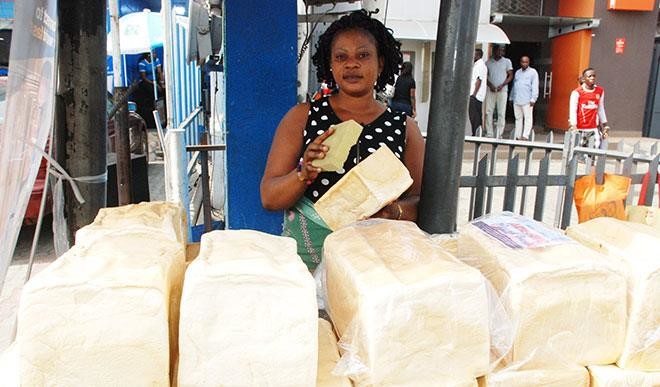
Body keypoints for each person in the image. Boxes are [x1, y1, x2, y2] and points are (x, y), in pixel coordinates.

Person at [260, 10, 425, 271]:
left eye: (363, 55)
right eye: (341, 57)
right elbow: (269, 198)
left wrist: (394, 212)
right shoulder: (303, 117)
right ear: (331, 64)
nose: (352, 64)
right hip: (309, 262)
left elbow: (421, 201)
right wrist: (303, 173)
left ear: (380, 63)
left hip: (376, 265)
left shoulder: (405, 128)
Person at [569, 67, 610, 149]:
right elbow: (573, 110)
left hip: (593, 128)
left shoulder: (600, 91)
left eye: (594, 76)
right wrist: (574, 126)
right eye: (589, 76)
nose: (592, 78)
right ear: (584, 79)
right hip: (580, 128)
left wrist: (605, 125)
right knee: (579, 153)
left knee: (594, 151)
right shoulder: (577, 92)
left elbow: (600, 109)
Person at [485, 44, 513, 138]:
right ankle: (489, 133)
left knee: (501, 112)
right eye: (499, 50)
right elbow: (485, 77)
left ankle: (499, 133)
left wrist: (503, 84)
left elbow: (510, 75)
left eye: (502, 50)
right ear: (494, 51)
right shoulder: (488, 62)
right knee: (489, 111)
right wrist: (490, 85)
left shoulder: (507, 62)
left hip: (503, 90)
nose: (501, 52)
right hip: (491, 90)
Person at [510, 55, 539, 140]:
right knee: (518, 118)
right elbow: (514, 85)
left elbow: (535, 86)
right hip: (517, 99)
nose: (524, 63)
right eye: (523, 62)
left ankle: (525, 135)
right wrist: (511, 97)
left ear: (529, 62)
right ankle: (518, 136)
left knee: (528, 118)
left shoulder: (533, 72)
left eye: (526, 62)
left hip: (527, 100)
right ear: (520, 62)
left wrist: (534, 98)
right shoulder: (517, 72)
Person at [135, 51, 164, 129]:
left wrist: (162, 82)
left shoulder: (156, 60)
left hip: (155, 81)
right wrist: (155, 84)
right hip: (146, 82)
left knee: (162, 92)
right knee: (150, 91)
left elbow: (159, 72)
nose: (155, 55)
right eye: (154, 53)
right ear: (149, 55)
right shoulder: (142, 63)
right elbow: (144, 78)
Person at [469, 48, 488, 136]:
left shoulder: (480, 66)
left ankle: (476, 134)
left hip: (476, 95)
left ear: (478, 55)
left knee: (475, 116)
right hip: (475, 94)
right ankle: (476, 133)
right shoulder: (476, 65)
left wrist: (474, 94)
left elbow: (479, 80)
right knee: (474, 115)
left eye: (474, 54)